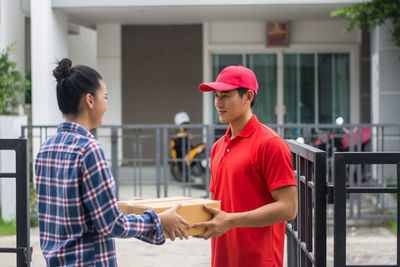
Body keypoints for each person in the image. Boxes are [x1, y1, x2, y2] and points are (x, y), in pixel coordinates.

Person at [35, 58, 190, 266]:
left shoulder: (46, 148)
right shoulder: (89, 149)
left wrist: (126, 209)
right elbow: (111, 224)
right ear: (90, 100)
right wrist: (159, 220)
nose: (106, 104)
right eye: (105, 97)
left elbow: (75, 210)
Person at [192, 65, 298, 267]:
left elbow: (289, 208)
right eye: (216, 96)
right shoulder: (218, 147)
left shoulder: (270, 144)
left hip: (258, 260)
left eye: (226, 96)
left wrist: (230, 220)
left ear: (248, 97)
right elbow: (217, 204)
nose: (218, 103)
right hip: (223, 257)